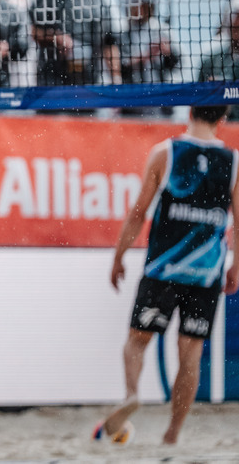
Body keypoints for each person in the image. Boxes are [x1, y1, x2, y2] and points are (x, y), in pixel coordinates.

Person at [98, 105, 239, 446]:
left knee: (137, 341)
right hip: (206, 274)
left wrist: (118, 257)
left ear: (190, 111)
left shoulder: (165, 152)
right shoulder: (234, 162)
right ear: (223, 118)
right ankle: (172, 435)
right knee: (190, 354)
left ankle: (132, 394)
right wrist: (235, 266)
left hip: (162, 271)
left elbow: (138, 213)